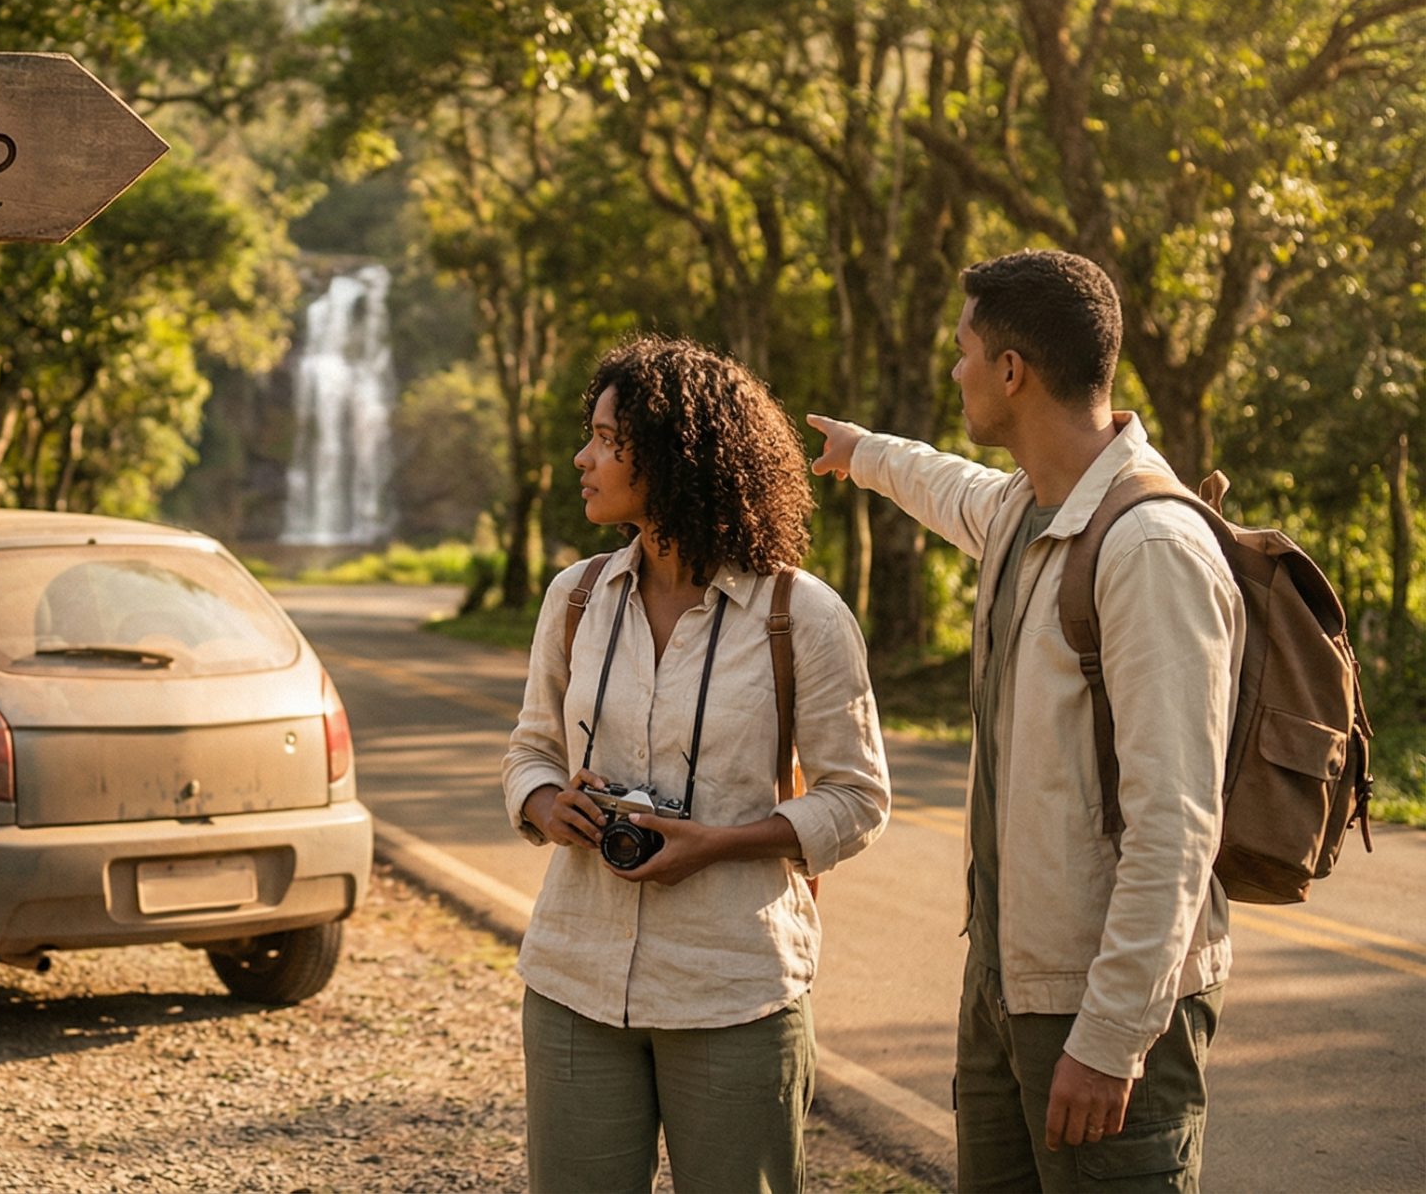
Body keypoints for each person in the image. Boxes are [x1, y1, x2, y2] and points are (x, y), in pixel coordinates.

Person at [809, 249, 1244, 1192]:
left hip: (1104, 1006)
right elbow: (947, 486)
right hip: (1007, 986)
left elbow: (1176, 824)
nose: (955, 371)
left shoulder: (1152, 548)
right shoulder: (1025, 509)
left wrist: (1114, 1035)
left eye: (964, 351)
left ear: (1012, 371)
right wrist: (862, 453)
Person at [505, 335, 890, 1194]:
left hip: (734, 990)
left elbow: (858, 798)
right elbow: (531, 749)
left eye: (608, 439)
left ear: (677, 455)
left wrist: (718, 842)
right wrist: (544, 805)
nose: (584, 457)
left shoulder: (802, 616)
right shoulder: (574, 598)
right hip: (574, 977)